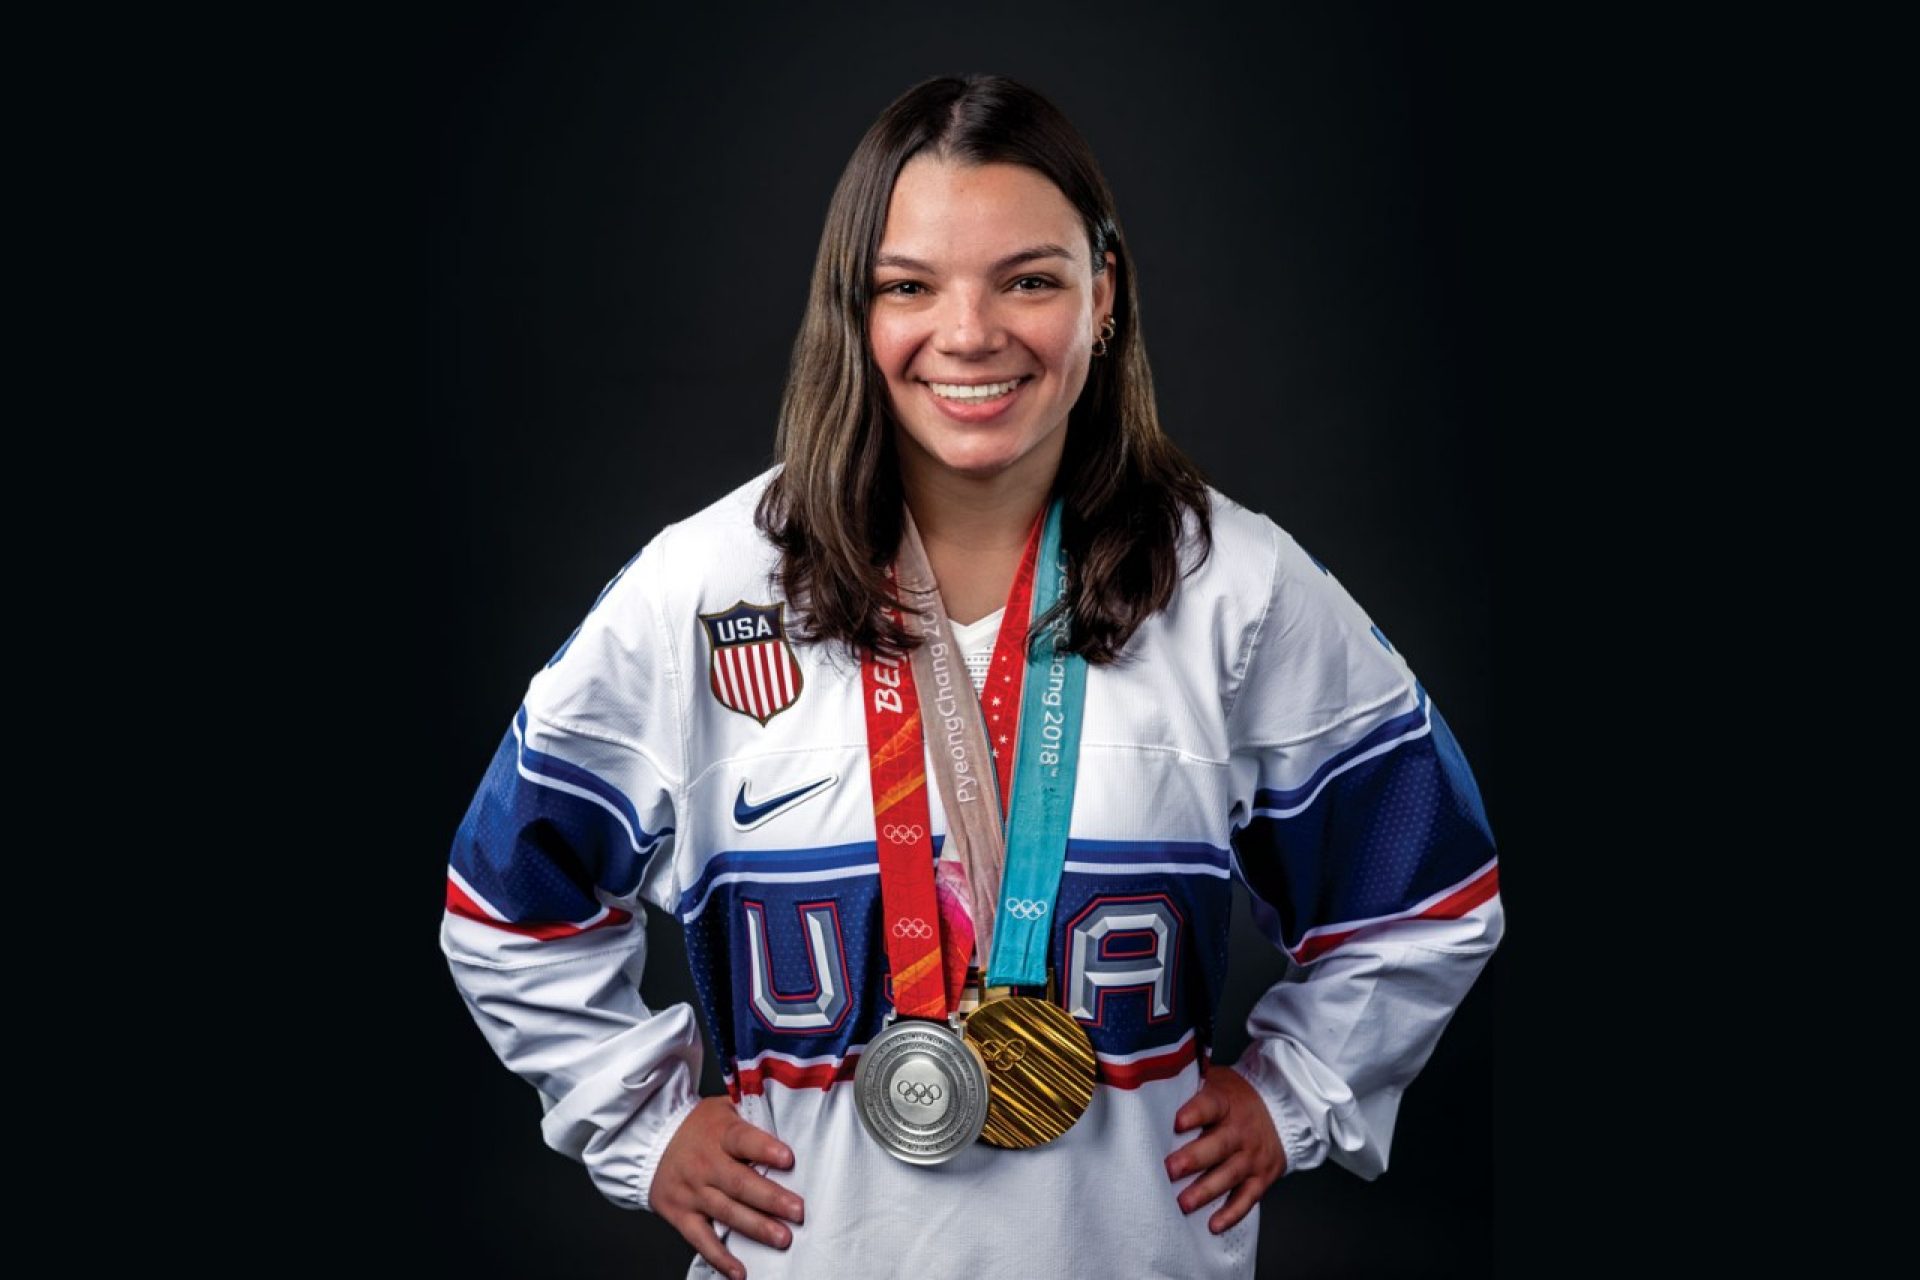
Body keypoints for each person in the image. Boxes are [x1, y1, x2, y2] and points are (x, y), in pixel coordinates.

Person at [440, 73, 1503, 1280]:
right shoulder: (706, 588)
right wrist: (642, 1122)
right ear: (855, 310)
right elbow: (504, 906)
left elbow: (1428, 901)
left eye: (1030, 279)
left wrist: (1298, 1094)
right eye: (909, 284)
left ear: (1103, 298)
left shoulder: (1235, 589)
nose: (970, 332)